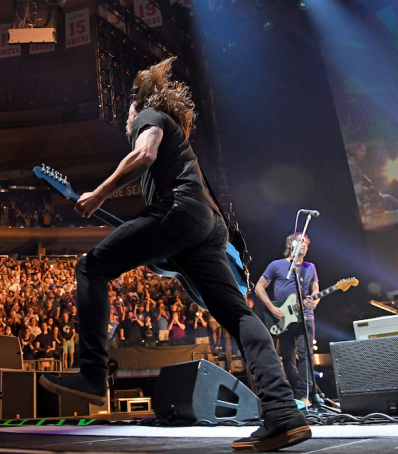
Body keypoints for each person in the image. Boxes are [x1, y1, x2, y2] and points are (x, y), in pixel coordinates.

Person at [39, 57, 310, 452]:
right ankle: (284, 412)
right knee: (239, 316)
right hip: (203, 227)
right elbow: (166, 247)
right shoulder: (178, 150)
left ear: (138, 108)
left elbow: (144, 154)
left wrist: (99, 194)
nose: (126, 124)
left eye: (126, 117)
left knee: (91, 267)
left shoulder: (149, 115)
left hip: (182, 213)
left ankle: (93, 376)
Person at [254, 232, 319, 406]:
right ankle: (294, 393)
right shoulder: (276, 265)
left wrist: (314, 301)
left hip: (304, 316)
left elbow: (315, 290)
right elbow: (259, 287)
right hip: (283, 317)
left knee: (306, 355)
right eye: (300, 242)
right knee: (288, 357)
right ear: (291, 245)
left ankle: (304, 396)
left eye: (306, 243)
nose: (304, 245)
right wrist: (271, 308)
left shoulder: (309, 268)